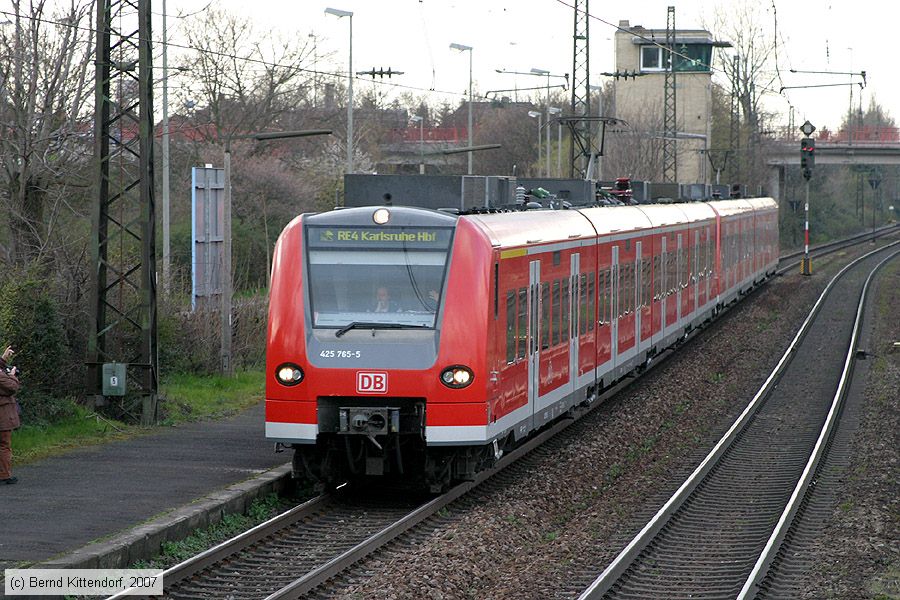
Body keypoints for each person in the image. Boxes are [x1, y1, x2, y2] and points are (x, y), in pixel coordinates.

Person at [0, 345, 21, 485]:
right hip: (2, 414)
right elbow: (12, 387)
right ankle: (4, 474)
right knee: (4, 445)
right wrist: (12, 376)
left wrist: (3, 358)